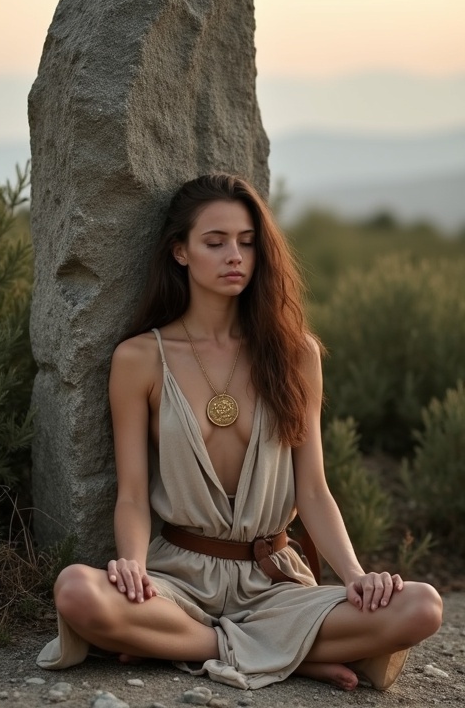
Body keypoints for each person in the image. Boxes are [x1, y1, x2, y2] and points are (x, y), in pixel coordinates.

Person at [37, 173, 442, 691]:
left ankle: (186, 644)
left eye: (247, 243)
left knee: (421, 607)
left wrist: (356, 575)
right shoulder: (139, 358)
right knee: (76, 591)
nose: (235, 256)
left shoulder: (296, 354)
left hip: (273, 585)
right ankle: (280, 655)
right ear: (180, 252)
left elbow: (313, 489)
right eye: (216, 242)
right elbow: (134, 495)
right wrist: (133, 567)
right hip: (179, 580)